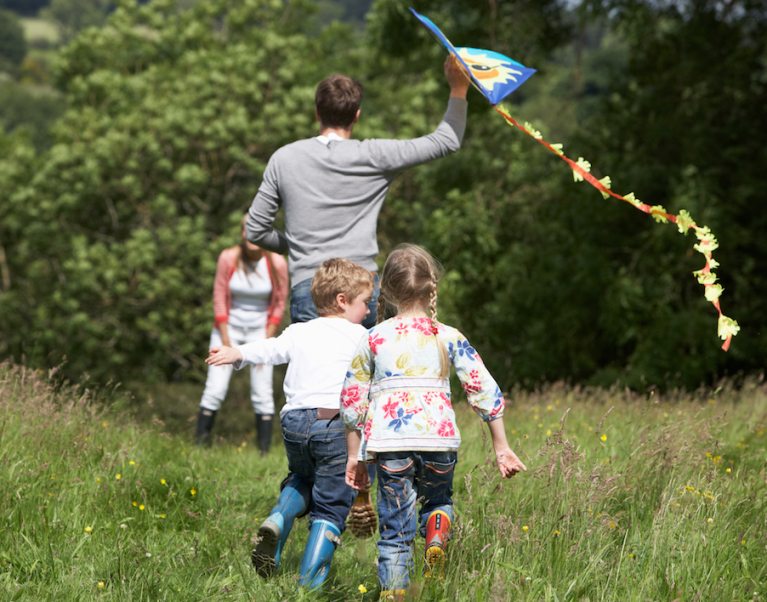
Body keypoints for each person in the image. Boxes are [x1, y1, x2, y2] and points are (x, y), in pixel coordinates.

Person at [340, 244, 527, 600]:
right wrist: (501, 447)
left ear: (388, 291)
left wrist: (355, 456)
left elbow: (352, 402)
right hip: (439, 442)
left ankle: (394, 594)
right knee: (438, 501)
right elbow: (484, 389)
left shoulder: (374, 337)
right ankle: (436, 537)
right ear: (431, 286)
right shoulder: (449, 335)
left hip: (390, 448)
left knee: (396, 531)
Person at [245, 56, 471, 328]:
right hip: (362, 291)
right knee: (363, 371)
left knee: (316, 372)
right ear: (356, 115)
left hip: (311, 288)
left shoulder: (284, 159)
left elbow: (255, 230)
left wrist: (296, 244)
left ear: (317, 112)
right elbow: (447, 140)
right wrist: (459, 88)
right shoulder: (374, 155)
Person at [206, 258, 374, 589]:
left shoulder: (298, 331)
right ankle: (309, 587)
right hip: (335, 425)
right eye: (365, 303)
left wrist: (237, 352)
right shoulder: (361, 336)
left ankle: (279, 517)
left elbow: (270, 350)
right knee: (330, 506)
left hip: (295, 424)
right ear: (342, 300)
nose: (368, 311)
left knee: (303, 477)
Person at [195, 215, 288, 451]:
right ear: (242, 232)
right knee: (215, 387)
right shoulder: (228, 258)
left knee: (262, 390)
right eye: (247, 228)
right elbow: (218, 296)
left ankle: (263, 453)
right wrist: (226, 340)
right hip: (227, 329)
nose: (251, 234)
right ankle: (200, 446)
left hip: (260, 331)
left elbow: (279, 302)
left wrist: (267, 338)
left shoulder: (276, 262)